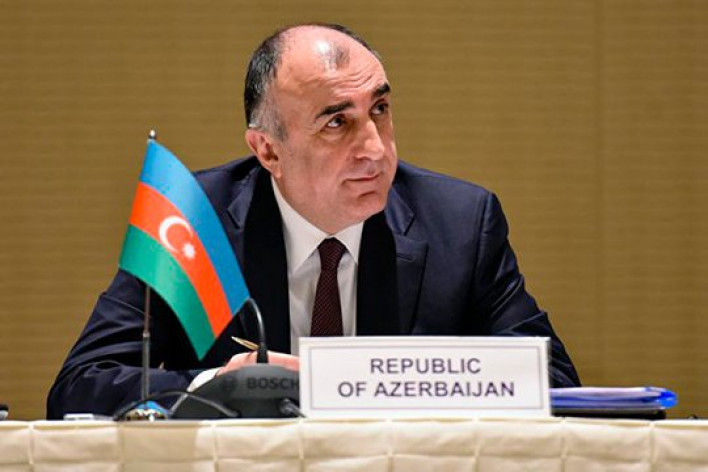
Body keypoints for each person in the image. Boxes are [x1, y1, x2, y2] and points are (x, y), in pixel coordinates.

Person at [47, 23, 580, 419]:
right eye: (336, 122)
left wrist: (372, 383)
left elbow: (554, 384)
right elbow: (80, 386)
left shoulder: (459, 223)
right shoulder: (194, 222)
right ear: (268, 151)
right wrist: (216, 386)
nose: (375, 149)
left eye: (379, 110)